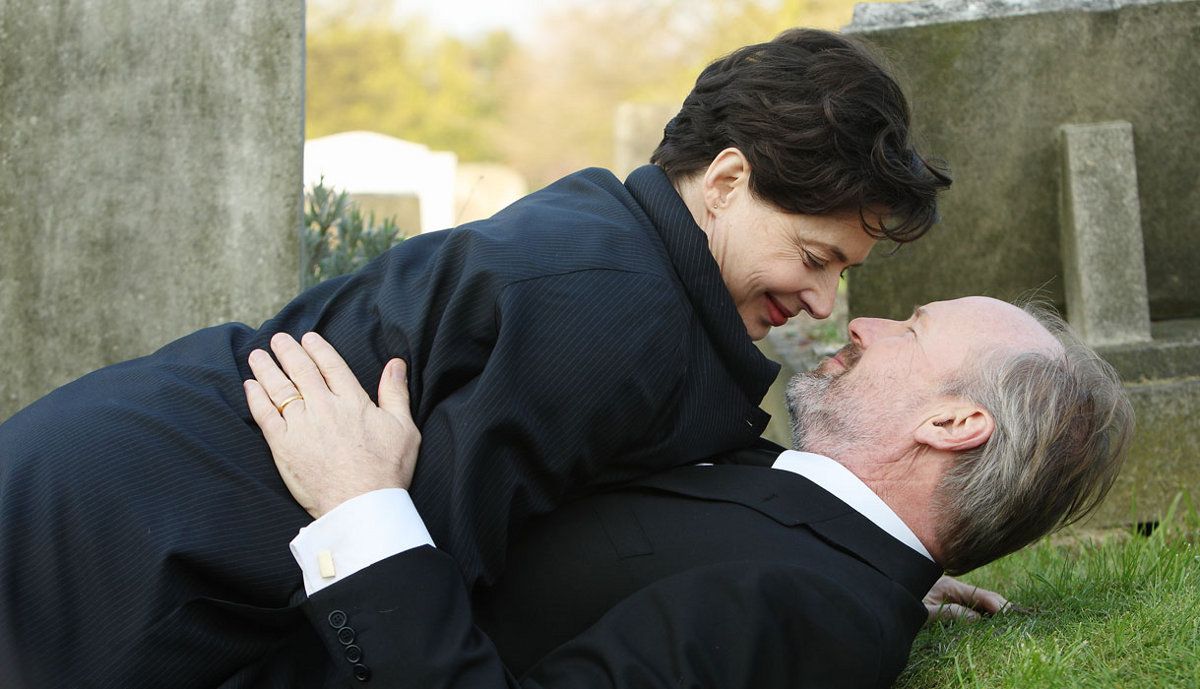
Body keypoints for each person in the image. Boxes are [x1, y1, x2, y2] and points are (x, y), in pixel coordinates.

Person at [0, 29, 948, 689]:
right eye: (817, 258)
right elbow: (405, 582)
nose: (824, 302)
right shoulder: (612, 314)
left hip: (106, 479)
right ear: (730, 180)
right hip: (122, 557)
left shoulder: (619, 251)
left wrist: (866, 534)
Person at [244, 296, 1133, 688]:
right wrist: (906, 560)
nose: (862, 320)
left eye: (910, 328)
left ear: (951, 425)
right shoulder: (819, 534)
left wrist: (359, 507)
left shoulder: (818, 611)